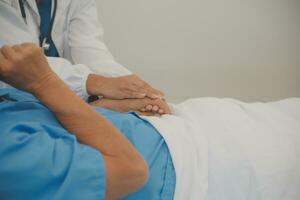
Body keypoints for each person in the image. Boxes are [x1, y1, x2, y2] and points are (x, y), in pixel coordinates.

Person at [0, 43, 176, 199]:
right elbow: (132, 171)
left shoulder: (8, 100)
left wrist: (106, 105)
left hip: (159, 127)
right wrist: (44, 82)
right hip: (179, 159)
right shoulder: (8, 151)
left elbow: (53, 125)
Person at [0, 0, 169, 115]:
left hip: (64, 90)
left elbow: (90, 48)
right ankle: (92, 109)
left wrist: (134, 90)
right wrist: (96, 83)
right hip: (13, 93)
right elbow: (16, 60)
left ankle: (91, 108)